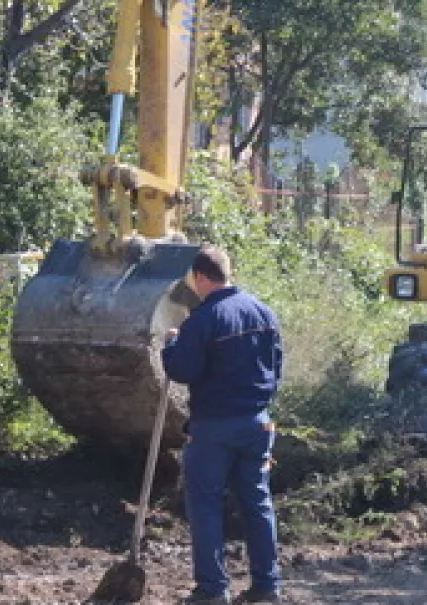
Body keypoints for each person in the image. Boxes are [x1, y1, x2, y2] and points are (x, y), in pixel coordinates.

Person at [162, 246, 284, 605]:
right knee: (258, 503)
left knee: (206, 505)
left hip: (214, 427)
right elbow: (276, 370)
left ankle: (213, 590)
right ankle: (267, 586)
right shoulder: (264, 313)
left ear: (201, 278)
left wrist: (170, 345)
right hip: (258, 424)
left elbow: (182, 370)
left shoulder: (204, 319)